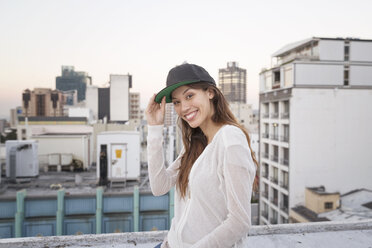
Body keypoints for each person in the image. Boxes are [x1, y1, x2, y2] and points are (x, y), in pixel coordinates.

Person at [146, 63, 258, 248]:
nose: (183, 108)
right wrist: (154, 128)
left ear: (210, 92)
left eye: (189, 96)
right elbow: (159, 186)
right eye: (176, 102)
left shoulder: (230, 139)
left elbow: (240, 222)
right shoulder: (196, 143)